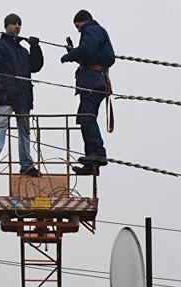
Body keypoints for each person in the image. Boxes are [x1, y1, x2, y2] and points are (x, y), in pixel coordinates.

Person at [0, 13, 44, 177]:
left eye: (19, 24)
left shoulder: (23, 51)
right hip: (6, 93)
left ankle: (26, 164)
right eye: (13, 23)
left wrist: (35, 48)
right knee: (1, 122)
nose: (17, 26)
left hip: (23, 95)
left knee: (24, 130)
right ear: (6, 26)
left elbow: (35, 66)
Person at [60, 9, 115, 176]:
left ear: (83, 21)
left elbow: (86, 50)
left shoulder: (91, 30)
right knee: (85, 118)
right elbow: (89, 55)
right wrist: (74, 52)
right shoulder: (97, 32)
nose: (78, 31)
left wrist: (70, 55)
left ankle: (97, 153)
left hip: (92, 82)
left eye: (78, 27)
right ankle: (92, 163)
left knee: (87, 118)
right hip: (96, 81)